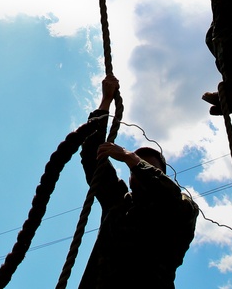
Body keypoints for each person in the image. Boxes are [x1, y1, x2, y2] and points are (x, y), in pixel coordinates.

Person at [79, 75, 198, 289]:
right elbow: (91, 156)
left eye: (147, 166)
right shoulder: (118, 203)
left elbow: (168, 196)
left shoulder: (181, 209)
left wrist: (131, 159)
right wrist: (105, 102)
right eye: (135, 169)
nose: (138, 169)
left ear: (161, 175)